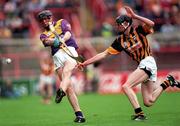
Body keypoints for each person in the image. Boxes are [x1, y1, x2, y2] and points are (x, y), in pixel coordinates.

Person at [78, 6, 180, 121]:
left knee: (126, 86)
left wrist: (135, 16)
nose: (117, 26)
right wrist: (85, 63)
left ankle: (139, 114)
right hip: (143, 65)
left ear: (126, 24)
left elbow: (151, 23)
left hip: (148, 62)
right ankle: (168, 82)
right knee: (149, 101)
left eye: (119, 24)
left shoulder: (139, 30)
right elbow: (104, 54)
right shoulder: (119, 41)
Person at [37, 10, 85, 123]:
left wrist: (61, 39)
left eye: (46, 19)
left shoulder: (61, 22)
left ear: (50, 18)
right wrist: (56, 41)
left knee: (67, 72)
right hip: (57, 56)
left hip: (70, 50)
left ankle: (60, 91)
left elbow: (68, 33)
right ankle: (79, 115)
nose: (44, 21)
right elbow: (46, 42)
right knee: (69, 88)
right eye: (42, 20)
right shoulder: (43, 34)